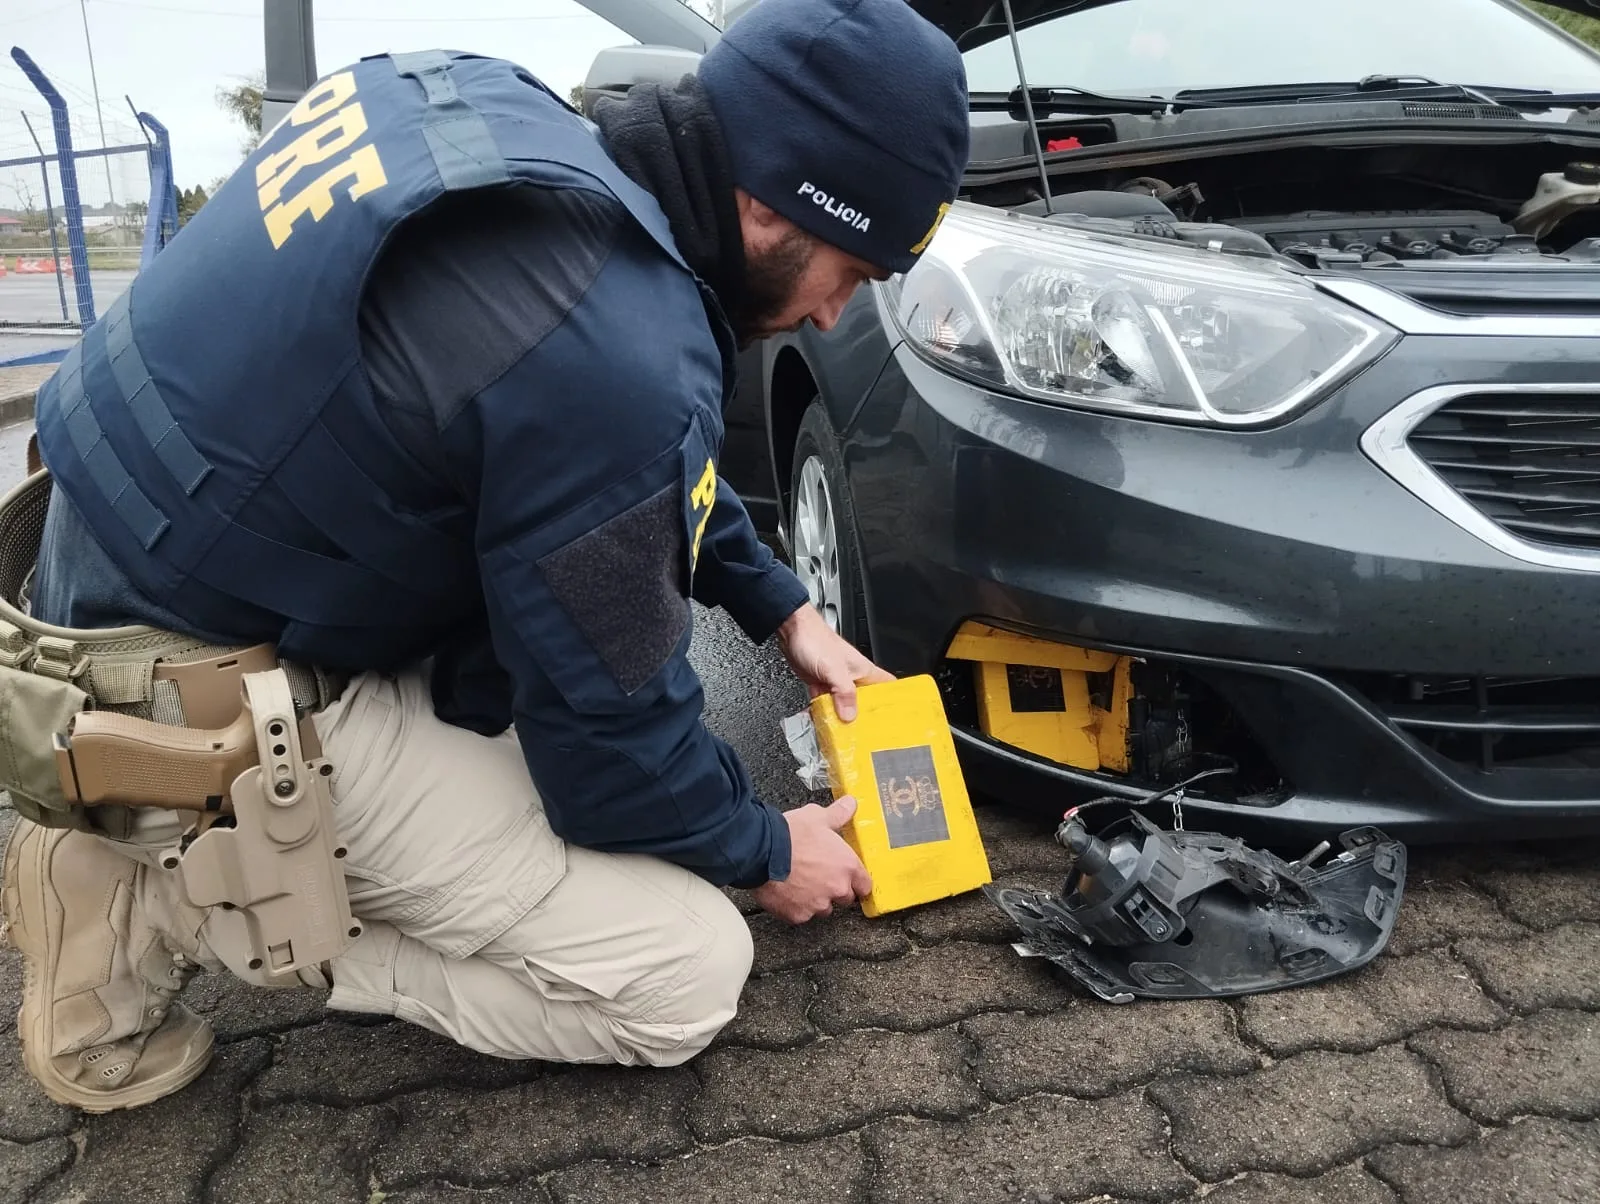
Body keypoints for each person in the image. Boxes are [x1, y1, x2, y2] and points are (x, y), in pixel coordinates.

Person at [0, 0, 969, 1113]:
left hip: (97, 578)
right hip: (167, 696)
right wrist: (763, 849)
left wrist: (784, 610)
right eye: (850, 272)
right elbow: (610, 748)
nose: (834, 317)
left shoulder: (494, 115)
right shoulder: (617, 348)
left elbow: (623, 469)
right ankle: (162, 900)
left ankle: (190, 845)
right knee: (685, 967)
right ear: (768, 207)